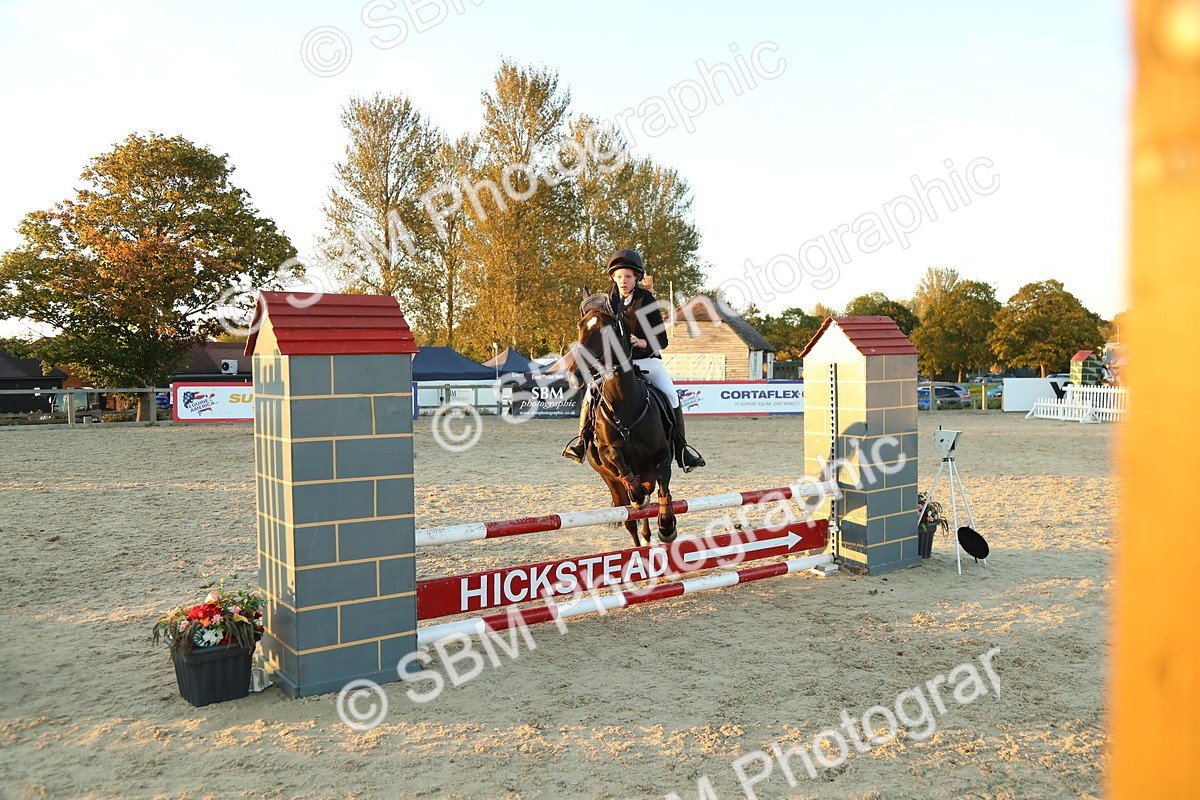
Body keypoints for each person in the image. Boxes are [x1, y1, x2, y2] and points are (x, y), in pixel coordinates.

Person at [562, 248, 706, 472]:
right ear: (613, 277)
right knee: (590, 392)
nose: (623, 281)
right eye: (619, 276)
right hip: (613, 365)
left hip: (645, 360)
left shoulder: (646, 300)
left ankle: (682, 450)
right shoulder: (606, 302)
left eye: (628, 276)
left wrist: (642, 342)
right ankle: (581, 443)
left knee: (671, 394)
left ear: (636, 277)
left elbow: (662, 340)